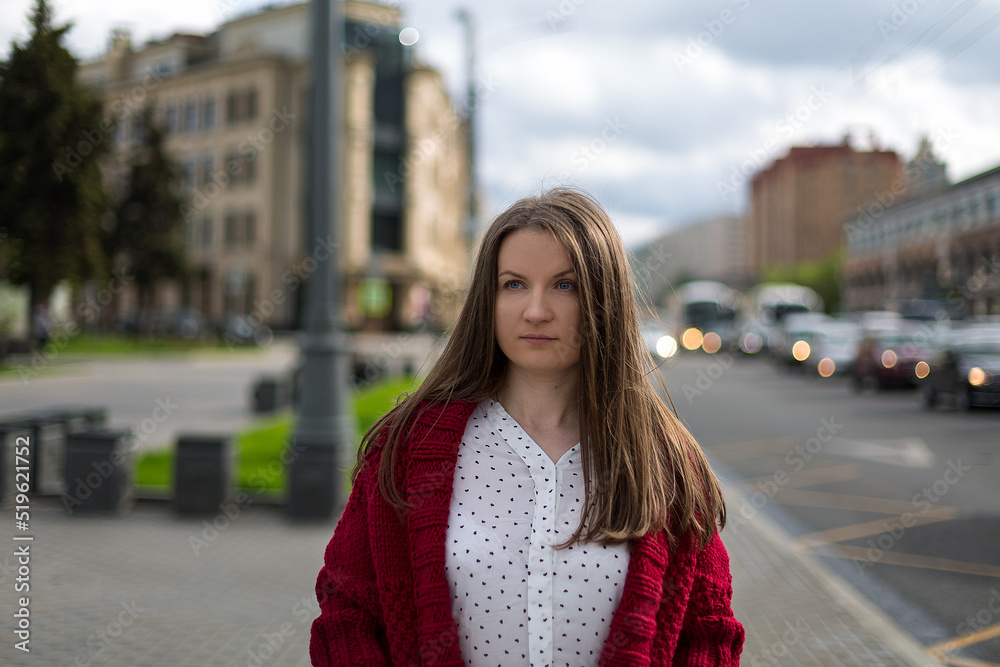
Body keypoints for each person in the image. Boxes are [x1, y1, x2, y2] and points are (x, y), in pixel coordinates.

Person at [309, 187, 744, 666]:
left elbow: (708, 632)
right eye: (514, 284)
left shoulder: (665, 460)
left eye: (565, 285)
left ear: (605, 301)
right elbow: (347, 613)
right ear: (487, 299)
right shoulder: (409, 446)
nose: (536, 310)